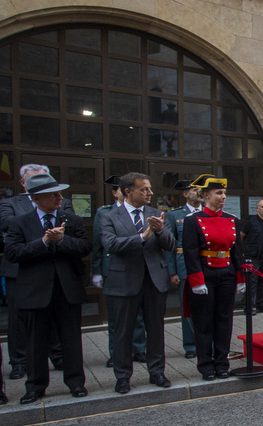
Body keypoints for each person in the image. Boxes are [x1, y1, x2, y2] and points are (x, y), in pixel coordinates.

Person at [2, 172, 91, 403]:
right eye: (53, 194)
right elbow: (12, 253)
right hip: (34, 291)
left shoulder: (71, 220)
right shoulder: (19, 223)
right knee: (35, 342)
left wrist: (62, 240)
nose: (60, 198)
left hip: (66, 289)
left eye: (60, 193)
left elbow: (84, 247)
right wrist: (43, 242)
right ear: (37, 198)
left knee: (71, 339)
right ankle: (35, 386)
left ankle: (76, 382)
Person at [99, 171, 175, 393]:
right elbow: (111, 244)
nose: (150, 192)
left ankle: (157, 372)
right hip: (123, 281)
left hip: (154, 280)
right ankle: (123, 376)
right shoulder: (109, 215)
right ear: (128, 192)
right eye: (144, 189)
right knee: (124, 331)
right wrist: (142, 237)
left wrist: (160, 231)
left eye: (150, 188)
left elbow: (170, 244)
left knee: (156, 329)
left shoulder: (158, 214)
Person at [0, 163, 74, 380]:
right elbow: (8, 226)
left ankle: (58, 356)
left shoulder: (64, 204)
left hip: (56, 269)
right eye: (36, 180)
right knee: (20, 319)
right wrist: (40, 229)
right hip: (22, 271)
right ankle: (20, 361)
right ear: (24, 183)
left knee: (54, 316)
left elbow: (70, 224)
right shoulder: (9, 204)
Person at [182, 175, 246, 380]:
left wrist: (240, 279)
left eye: (224, 193)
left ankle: (221, 363)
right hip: (205, 274)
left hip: (226, 273)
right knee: (203, 322)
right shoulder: (193, 221)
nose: (223, 196)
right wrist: (197, 281)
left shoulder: (231, 220)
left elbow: (237, 253)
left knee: (224, 321)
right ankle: (205, 364)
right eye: (219, 193)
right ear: (206, 195)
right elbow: (190, 254)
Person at [92, 174, 147, 367]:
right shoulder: (105, 213)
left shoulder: (142, 212)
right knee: (116, 315)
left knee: (138, 315)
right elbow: (98, 243)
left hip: (136, 268)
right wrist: (97, 270)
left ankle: (139, 349)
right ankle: (116, 353)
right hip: (113, 268)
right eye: (120, 191)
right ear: (116, 193)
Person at [164, 179, 202, 359]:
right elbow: (169, 245)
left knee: (206, 307)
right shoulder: (175, 215)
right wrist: (172, 271)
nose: (199, 192)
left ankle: (205, 342)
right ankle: (190, 346)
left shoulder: (208, 213)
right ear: (185, 194)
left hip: (205, 265)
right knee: (188, 307)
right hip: (184, 265)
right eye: (195, 189)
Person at [239, 199, 263, 313]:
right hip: (252, 256)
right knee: (251, 282)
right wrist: (243, 252)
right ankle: (248, 306)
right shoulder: (250, 221)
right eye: (262, 207)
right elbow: (241, 236)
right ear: (257, 208)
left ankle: (261, 304)